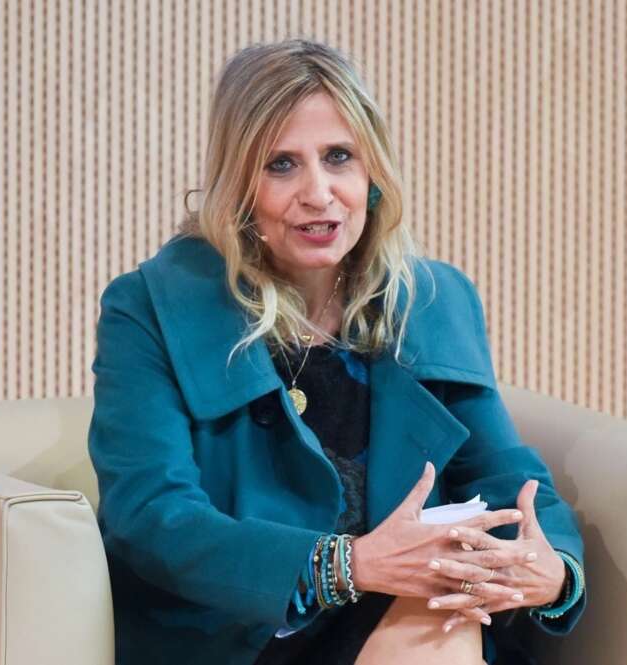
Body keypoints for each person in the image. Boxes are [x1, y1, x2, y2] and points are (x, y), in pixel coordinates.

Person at [88, 38, 586, 665]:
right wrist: (348, 565)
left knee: (446, 602)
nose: (318, 193)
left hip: (409, 613)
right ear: (238, 185)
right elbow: (150, 517)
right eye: (281, 165)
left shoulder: (431, 300)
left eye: (339, 157)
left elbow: (504, 475)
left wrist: (552, 569)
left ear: (372, 173)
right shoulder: (152, 307)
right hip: (245, 634)